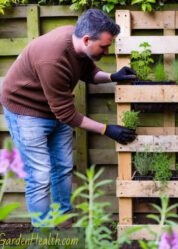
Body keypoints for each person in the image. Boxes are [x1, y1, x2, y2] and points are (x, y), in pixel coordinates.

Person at [0, 9, 137, 226]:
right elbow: (66, 113)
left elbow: (88, 73)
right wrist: (106, 129)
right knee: (40, 176)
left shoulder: (76, 43)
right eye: (104, 46)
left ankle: (63, 221)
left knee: (63, 168)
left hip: (55, 108)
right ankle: (44, 234)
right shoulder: (52, 59)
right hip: (26, 112)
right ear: (86, 39)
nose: (107, 51)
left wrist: (113, 76)